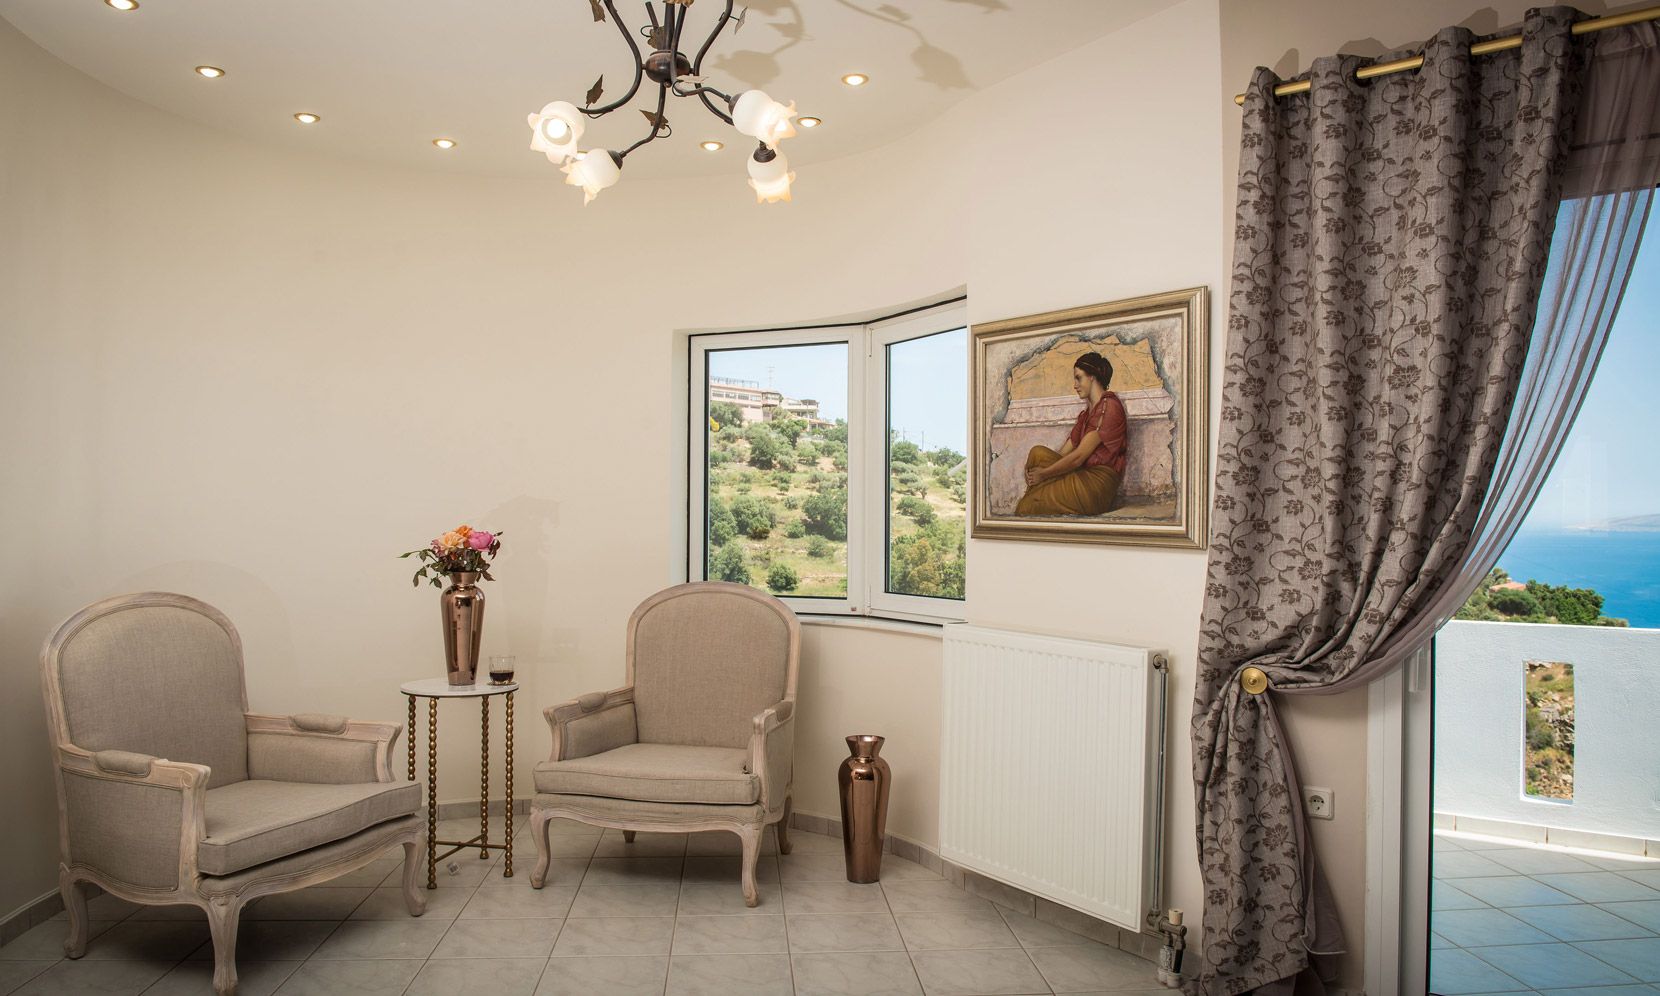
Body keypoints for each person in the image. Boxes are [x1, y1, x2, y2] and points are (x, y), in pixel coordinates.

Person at [1015, 351, 1127, 516]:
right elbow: (1062, 454)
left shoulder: (1108, 407)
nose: (1075, 385)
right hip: (1083, 475)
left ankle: (1034, 498)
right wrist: (1036, 473)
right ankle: (1036, 495)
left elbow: (1078, 457)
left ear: (1092, 377)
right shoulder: (1086, 415)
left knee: (1025, 507)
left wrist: (1044, 474)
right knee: (1037, 453)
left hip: (1096, 486)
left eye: (1078, 378)